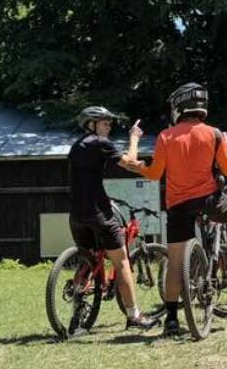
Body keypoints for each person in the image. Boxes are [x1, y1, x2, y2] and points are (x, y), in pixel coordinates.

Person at [128, 83, 227, 336]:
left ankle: (172, 320)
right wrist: (224, 147)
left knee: (175, 262)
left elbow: (155, 173)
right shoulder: (215, 134)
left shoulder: (166, 136)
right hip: (209, 200)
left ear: (178, 107)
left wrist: (138, 166)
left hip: (178, 205)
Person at [67, 106, 158, 331]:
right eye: (105, 123)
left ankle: (79, 305)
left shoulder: (77, 146)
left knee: (89, 259)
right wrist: (134, 138)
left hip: (77, 214)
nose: (109, 127)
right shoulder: (100, 143)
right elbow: (131, 162)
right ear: (91, 124)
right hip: (99, 214)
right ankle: (134, 315)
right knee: (122, 260)